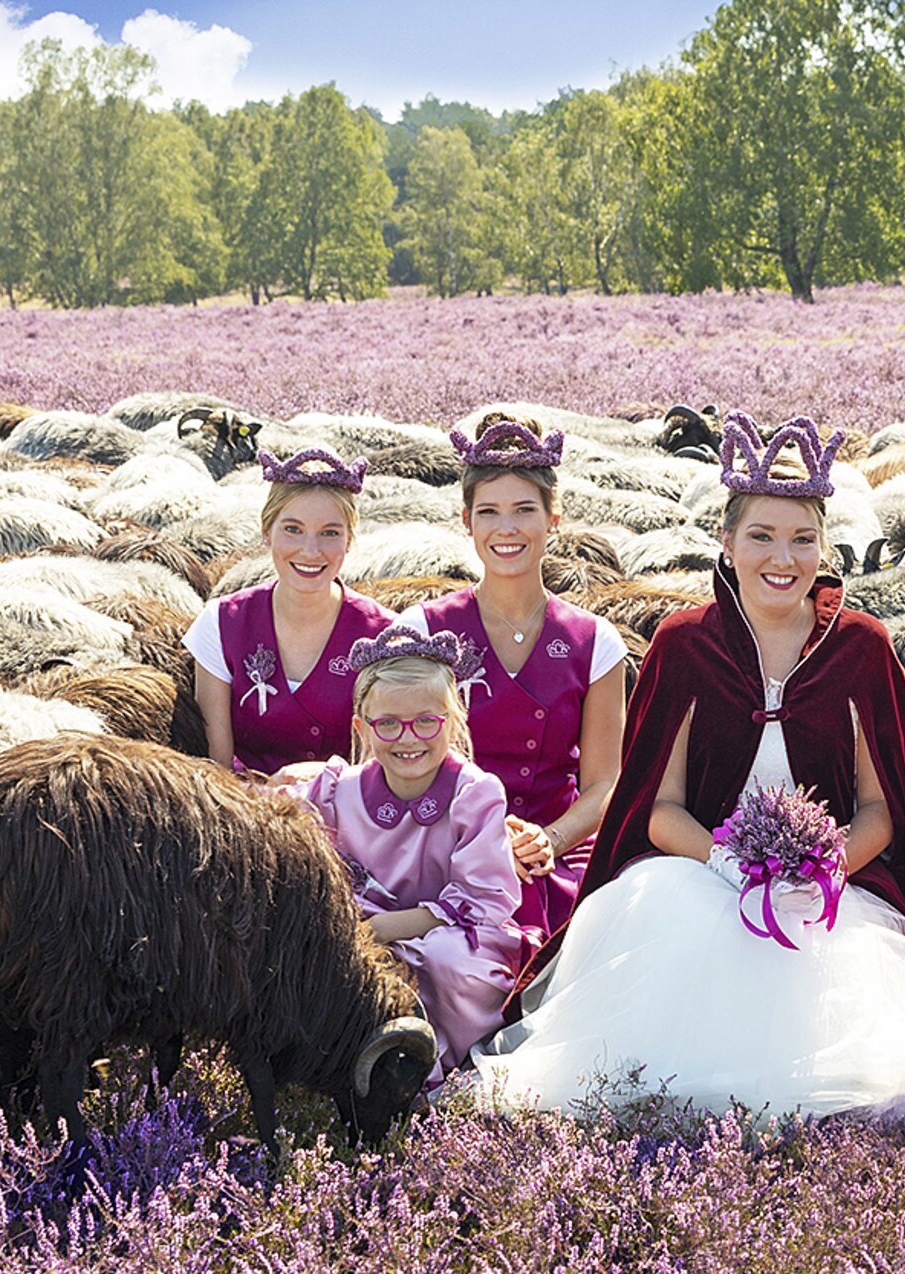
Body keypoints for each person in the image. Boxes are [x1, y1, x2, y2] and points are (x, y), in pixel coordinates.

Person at [474, 413, 905, 1116]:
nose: (780, 559)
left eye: (801, 540)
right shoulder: (684, 644)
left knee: (863, 1045)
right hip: (698, 875)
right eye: (760, 537)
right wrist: (730, 866)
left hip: (829, 889)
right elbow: (655, 808)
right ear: (726, 543)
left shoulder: (862, 647)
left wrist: (822, 873)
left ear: (824, 547)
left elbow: (886, 807)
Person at [400, 415, 625, 939]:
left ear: (553, 519)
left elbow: (602, 784)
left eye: (525, 510)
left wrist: (548, 839)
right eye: (489, 512)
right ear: (467, 521)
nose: (507, 529)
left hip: (555, 854)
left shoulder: (596, 642)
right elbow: (398, 760)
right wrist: (485, 837)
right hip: (441, 844)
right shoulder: (422, 629)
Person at [283, 623, 535, 1092]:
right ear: (362, 727)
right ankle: (342, 1074)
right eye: (388, 724)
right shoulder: (339, 790)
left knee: (446, 963)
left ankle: (440, 1074)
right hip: (361, 928)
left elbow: (483, 903)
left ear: (453, 719)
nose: (408, 739)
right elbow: (277, 818)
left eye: (426, 721)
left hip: (455, 935)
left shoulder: (474, 794)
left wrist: (374, 931)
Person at [185, 448, 396, 775]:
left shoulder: (384, 635)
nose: (311, 551)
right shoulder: (220, 624)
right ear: (266, 532)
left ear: (350, 540)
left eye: (330, 533)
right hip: (245, 809)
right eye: (292, 529)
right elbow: (217, 766)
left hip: (355, 813)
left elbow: (388, 765)